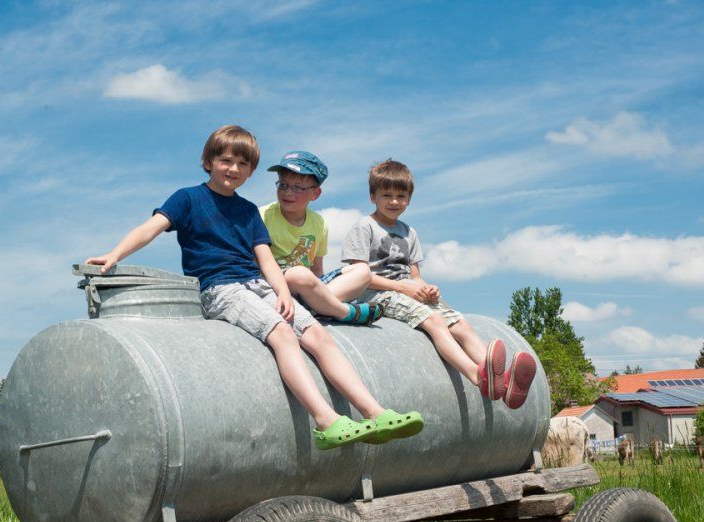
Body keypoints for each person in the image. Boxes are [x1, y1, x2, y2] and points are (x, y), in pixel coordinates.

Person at [85, 126, 423, 449]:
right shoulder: (187, 199)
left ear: (250, 171)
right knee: (282, 333)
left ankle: (374, 412)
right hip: (220, 288)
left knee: (318, 335)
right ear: (208, 162)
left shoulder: (248, 211)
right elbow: (151, 228)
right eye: (226, 161)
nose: (233, 168)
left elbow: (265, 258)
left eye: (242, 164)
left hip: (257, 282)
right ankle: (325, 420)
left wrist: (284, 293)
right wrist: (114, 254)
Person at [342, 159, 537, 409]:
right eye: (386, 195)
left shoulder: (409, 232)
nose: (394, 201)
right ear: (373, 197)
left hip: (409, 292)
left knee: (459, 323)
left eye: (401, 196)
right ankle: (478, 377)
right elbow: (357, 274)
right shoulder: (364, 227)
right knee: (434, 322)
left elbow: (415, 275)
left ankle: (506, 384)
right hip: (376, 294)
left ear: (409, 199)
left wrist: (426, 288)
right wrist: (404, 288)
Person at [259, 150, 383, 324]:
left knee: (363, 272)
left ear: (315, 194)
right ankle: (342, 311)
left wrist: (319, 288)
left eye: (297, 187)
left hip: (309, 285)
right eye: (283, 185)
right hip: (279, 284)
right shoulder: (263, 216)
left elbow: (317, 270)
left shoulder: (318, 223)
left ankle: (318, 305)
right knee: (299, 274)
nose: (287, 192)